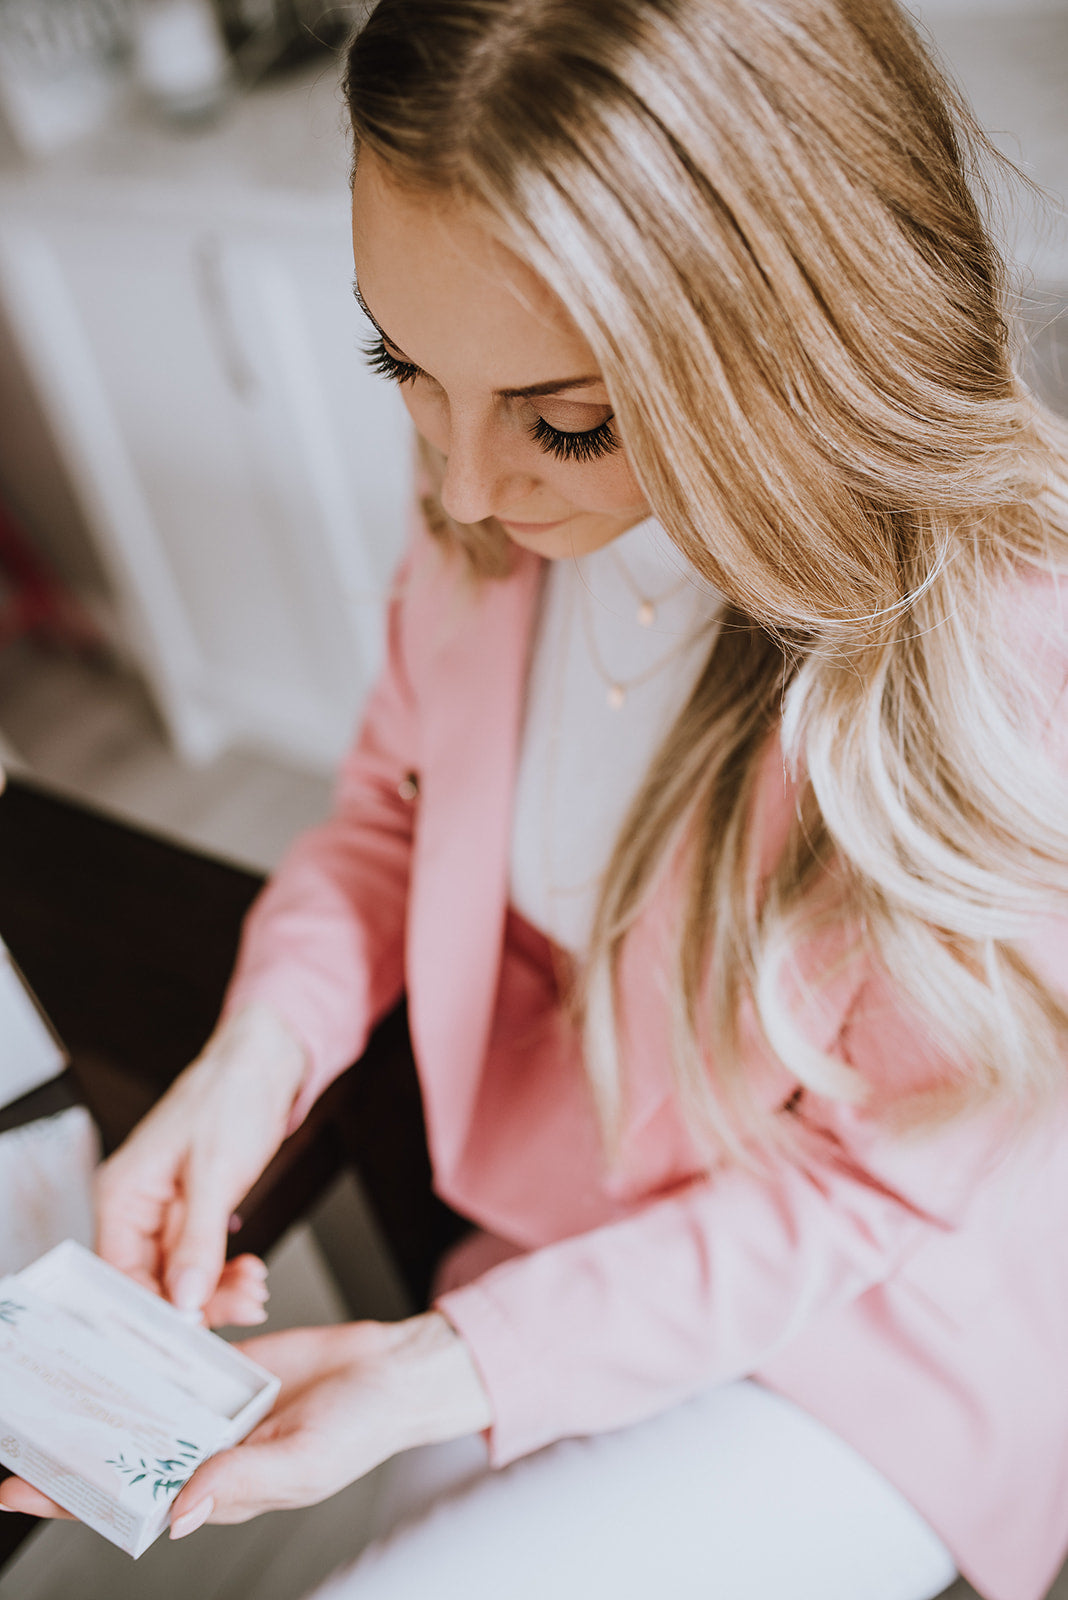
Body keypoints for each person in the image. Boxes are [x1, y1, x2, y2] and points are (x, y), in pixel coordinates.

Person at [4, 2, 1067, 1596]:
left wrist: (445, 1364)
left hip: (879, 1327)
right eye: (403, 364)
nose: (457, 485)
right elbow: (389, 813)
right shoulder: (506, 518)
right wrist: (256, 1057)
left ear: (794, 335)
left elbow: (870, 1188)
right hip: (573, 1233)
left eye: (567, 419)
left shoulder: (999, 661)